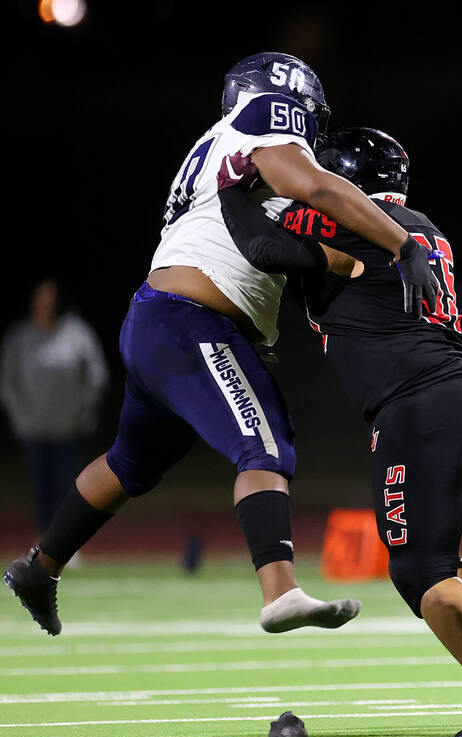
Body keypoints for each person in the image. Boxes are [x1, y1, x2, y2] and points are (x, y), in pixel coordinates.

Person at [4, 52, 438, 637]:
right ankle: (280, 591)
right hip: (192, 321)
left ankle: (40, 567)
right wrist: (401, 243)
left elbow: (261, 239)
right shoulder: (267, 118)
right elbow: (311, 185)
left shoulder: (218, 148)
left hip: (157, 319)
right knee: (265, 443)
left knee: (130, 463)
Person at [216, 127, 462, 737]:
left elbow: (262, 245)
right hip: (456, 394)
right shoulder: (422, 227)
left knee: (419, 570)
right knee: (436, 560)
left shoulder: (346, 222)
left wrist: (230, 189)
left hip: (417, 405)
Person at [1, 279, 109, 534]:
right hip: (33, 430)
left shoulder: (77, 334)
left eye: (52, 302)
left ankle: (67, 540)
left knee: (69, 486)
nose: (47, 308)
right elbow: (8, 381)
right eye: (42, 302)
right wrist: (19, 417)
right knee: (41, 487)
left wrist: (84, 412)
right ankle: (44, 539)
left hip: (69, 430)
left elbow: (97, 375)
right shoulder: (20, 338)